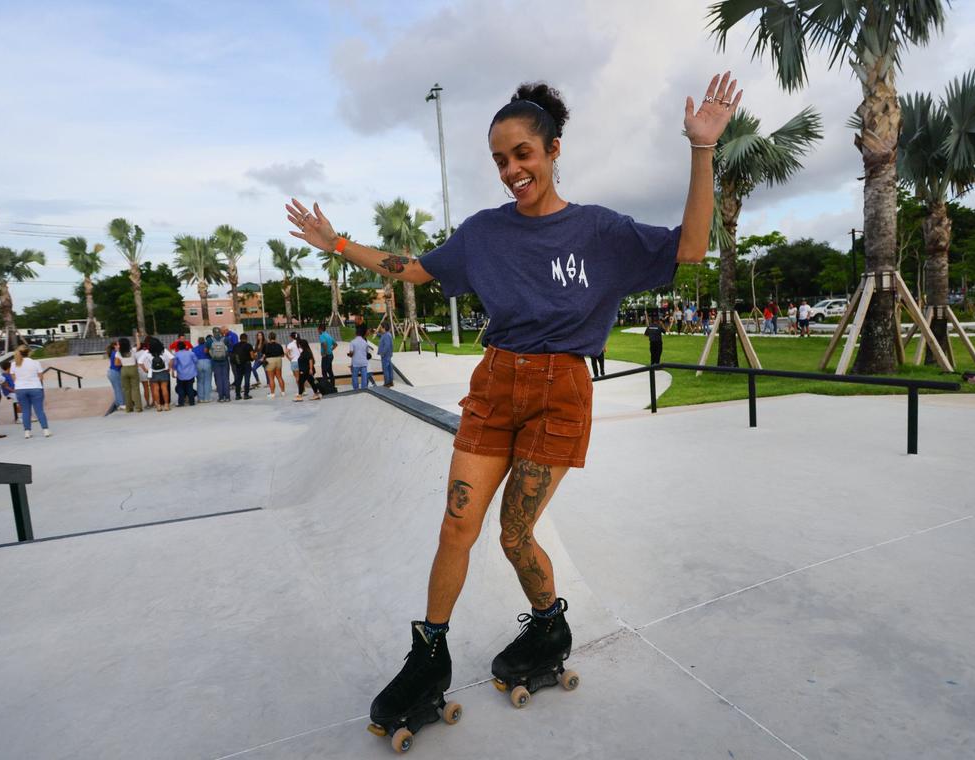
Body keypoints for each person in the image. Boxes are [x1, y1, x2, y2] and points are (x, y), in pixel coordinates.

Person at [285, 73, 736, 729]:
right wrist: (338, 244)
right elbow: (414, 267)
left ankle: (550, 629)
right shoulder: (483, 234)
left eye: (522, 153)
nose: (511, 170)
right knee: (456, 525)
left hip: (561, 394)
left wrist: (701, 150)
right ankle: (429, 656)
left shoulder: (600, 232)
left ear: (553, 150)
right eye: (500, 159)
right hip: (495, 386)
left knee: (514, 533)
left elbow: (691, 248)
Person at [10, 344, 51, 437]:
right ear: (29, 352)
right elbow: (41, 376)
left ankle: (27, 432)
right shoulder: (35, 362)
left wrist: (20, 382)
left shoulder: (14, 364)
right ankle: (45, 430)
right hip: (35, 387)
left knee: (25, 411)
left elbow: (13, 377)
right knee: (39, 410)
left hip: (20, 388)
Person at [143, 338, 174, 411]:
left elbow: (140, 362)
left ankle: (158, 406)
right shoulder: (163, 350)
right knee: (164, 388)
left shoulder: (147, 352)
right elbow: (172, 358)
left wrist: (145, 370)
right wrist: (169, 367)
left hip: (153, 372)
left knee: (155, 389)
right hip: (164, 371)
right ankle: (166, 405)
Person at [114, 337, 142, 412]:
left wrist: (123, 362)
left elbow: (116, 364)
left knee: (126, 390)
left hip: (124, 370)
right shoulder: (132, 350)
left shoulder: (118, 353)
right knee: (135, 388)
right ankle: (138, 407)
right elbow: (139, 346)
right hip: (133, 369)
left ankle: (129, 408)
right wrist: (137, 336)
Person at [209, 328, 231, 402]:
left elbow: (206, 350)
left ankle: (221, 397)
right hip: (224, 361)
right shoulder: (226, 339)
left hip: (215, 361)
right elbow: (229, 349)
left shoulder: (210, 340)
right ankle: (227, 397)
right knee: (226, 379)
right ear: (220, 332)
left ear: (213, 332)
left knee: (218, 379)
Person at [172, 341, 198, 406]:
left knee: (180, 388)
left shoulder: (176, 354)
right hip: (190, 373)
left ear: (178, 347)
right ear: (185, 346)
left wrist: (174, 370)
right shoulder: (191, 353)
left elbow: (175, 364)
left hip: (181, 374)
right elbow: (196, 361)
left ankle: (181, 402)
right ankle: (192, 402)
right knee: (190, 387)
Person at [262, 332, 287, 398]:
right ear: (275, 337)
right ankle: (283, 392)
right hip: (278, 360)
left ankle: (272, 393)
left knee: (271, 378)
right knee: (279, 377)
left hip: (270, 360)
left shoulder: (266, 345)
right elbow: (282, 355)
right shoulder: (279, 345)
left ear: (269, 338)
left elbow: (264, 354)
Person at [231, 334, 255, 400]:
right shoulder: (249, 345)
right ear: (246, 338)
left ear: (240, 338)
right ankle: (246, 395)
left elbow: (233, 355)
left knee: (238, 380)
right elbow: (252, 356)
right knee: (247, 380)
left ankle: (238, 395)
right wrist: (254, 357)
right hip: (247, 364)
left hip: (238, 364)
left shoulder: (235, 346)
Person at [348, 325, 370, 390]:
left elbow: (351, 353)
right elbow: (367, 352)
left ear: (356, 333)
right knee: (364, 376)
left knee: (355, 376)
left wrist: (349, 354)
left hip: (355, 362)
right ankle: (364, 388)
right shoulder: (365, 342)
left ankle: (356, 389)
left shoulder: (352, 342)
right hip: (363, 362)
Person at [0, 358, 20, 424]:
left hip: (15, 390)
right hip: (9, 392)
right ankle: (19, 417)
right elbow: (6, 387)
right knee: (19, 397)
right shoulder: (3, 376)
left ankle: (25, 415)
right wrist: (14, 391)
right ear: (8, 367)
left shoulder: (12, 374)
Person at [106, 339, 125, 411]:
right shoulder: (115, 353)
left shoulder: (114, 352)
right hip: (114, 372)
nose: (120, 346)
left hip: (112, 372)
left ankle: (118, 403)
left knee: (117, 388)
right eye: (118, 344)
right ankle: (121, 404)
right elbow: (117, 364)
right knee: (118, 389)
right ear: (115, 346)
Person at [194, 335, 213, 402]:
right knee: (207, 381)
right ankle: (207, 398)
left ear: (198, 342)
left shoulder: (194, 348)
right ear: (204, 342)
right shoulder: (207, 348)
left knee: (200, 381)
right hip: (207, 362)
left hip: (198, 363)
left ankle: (200, 398)